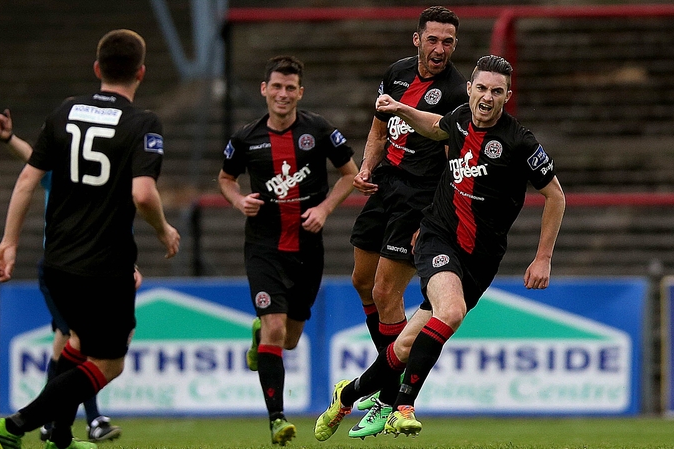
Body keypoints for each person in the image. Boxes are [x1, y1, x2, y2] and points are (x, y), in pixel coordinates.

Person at [314, 55, 565, 440]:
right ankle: (403, 406)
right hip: (437, 236)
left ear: (507, 96)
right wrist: (399, 108)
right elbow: (435, 126)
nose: (487, 97)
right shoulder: (460, 118)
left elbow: (555, 196)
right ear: (470, 89)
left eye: (496, 91)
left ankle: (346, 395)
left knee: (405, 345)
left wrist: (543, 257)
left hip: (481, 258)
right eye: (481, 88)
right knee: (450, 312)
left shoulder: (520, 142)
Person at [0, 29, 180, 449]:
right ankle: (15, 426)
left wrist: (9, 241)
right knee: (110, 362)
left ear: (97, 69)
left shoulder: (65, 111)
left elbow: (26, 181)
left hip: (56, 263)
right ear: (141, 72)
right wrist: (164, 230)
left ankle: (58, 436)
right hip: (104, 266)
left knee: (75, 344)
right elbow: (143, 194)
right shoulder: (142, 123)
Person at [217, 55, 358, 446]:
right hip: (263, 246)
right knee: (277, 330)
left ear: (300, 92)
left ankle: (259, 331)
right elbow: (226, 179)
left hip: (307, 248)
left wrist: (325, 208)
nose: (282, 94)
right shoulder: (245, 137)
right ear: (264, 89)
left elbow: (351, 174)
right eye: (275, 86)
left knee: (290, 338)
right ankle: (277, 418)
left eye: (289, 88)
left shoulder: (319, 130)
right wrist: (237, 200)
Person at [346, 5, 468, 438]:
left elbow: (454, 155)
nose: (440, 49)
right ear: (417, 39)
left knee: (384, 290)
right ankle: (390, 371)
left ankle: (392, 392)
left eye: (448, 42)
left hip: (419, 198)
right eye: (432, 40)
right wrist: (365, 167)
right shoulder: (396, 73)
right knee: (361, 282)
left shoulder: (457, 91)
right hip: (384, 185)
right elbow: (379, 128)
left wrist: (435, 219)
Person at [0, 109, 128, 443]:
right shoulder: (61, 171)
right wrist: (9, 139)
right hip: (67, 270)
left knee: (71, 345)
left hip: (88, 269)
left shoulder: (101, 175)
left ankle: (58, 430)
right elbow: (30, 158)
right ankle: (64, 423)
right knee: (83, 345)